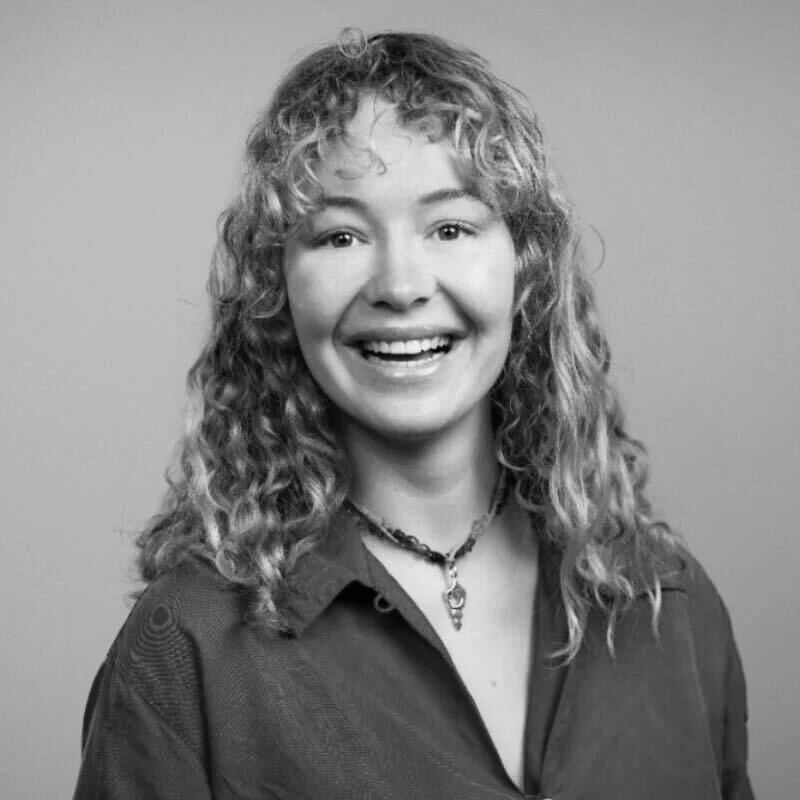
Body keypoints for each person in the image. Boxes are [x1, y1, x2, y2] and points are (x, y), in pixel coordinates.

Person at [73, 29, 754, 800]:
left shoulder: (670, 604)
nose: (400, 286)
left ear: (525, 268)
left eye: (450, 228)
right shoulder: (186, 650)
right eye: (340, 235)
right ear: (275, 291)